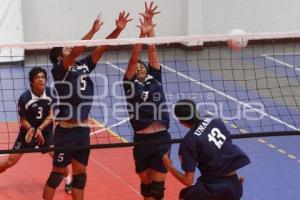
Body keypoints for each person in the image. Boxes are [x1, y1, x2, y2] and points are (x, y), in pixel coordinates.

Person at [42, 12, 132, 200]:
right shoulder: (59, 70)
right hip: (65, 132)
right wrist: (92, 31)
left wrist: (118, 29)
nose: (70, 49)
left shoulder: (83, 65)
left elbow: (102, 47)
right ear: (59, 57)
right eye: (65, 49)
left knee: (80, 176)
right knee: (57, 174)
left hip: (83, 130)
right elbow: (76, 51)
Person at [123, 3, 171, 200]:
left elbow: (152, 52)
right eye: (138, 68)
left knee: (158, 190)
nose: (141, 68)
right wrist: (140, 37)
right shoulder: (129, 84)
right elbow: (134, 60)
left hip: (161, 138)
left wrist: (150, 30)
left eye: (144, 67)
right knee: (146, 185)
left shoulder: (155, 79)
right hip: (141, 140)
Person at [0, 67, 72, 193]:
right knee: (11, 160)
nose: (41, 80)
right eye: (37, 77)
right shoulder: (25, 98)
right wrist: (33, 129)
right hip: (27, 131)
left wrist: (40, 128)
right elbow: (22, 120)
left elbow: (51, 115)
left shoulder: (51, 94)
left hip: (46, 131)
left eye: (43, 77)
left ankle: (68, 182)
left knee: (58, 157)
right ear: (32, 81)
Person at [162, 99, 251, 200]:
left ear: (181, 121)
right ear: (196, 111)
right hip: (234, 185)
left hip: (212, 188)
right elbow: (227, 148)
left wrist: (169, 167)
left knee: (184, 196)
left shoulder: (189, 141)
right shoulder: (216, 122)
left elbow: (188, 181)